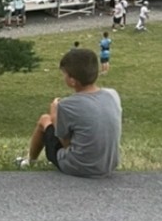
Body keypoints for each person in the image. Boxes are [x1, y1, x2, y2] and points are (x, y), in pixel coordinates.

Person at [16, 48, 121, 176]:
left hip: (80, 167)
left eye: (64, 74)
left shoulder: (66, 105)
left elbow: (65, 143)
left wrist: (54, 115)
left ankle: (29, 162)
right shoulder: (112, 95)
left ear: (72, 81)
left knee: (44, 119)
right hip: (109, 165)